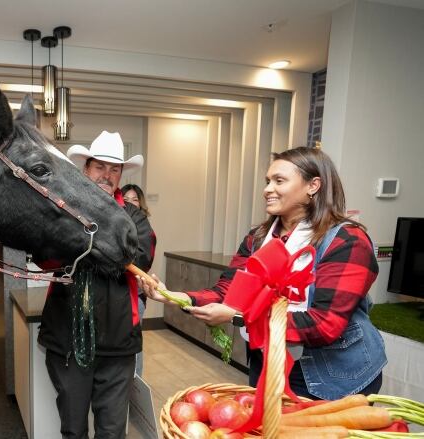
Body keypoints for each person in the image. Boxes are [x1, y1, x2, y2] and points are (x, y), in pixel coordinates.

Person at [139, 146, 386, 401]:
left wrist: (239, 317)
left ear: (313, 185)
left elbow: (323, 324)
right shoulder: (258, 238)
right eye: (267, 181)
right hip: (269, 358)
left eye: (279, 181)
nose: (267, 189)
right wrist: (176, 297)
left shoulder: (347, 241)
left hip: (333, 373)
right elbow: (229, 291)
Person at [37, 131, 155, 439]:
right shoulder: (62, 210)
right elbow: (45, 255)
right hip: (68, 342)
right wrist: (109, 254)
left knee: (113, 432)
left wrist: (80, 249)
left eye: (114, 169)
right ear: (85, 170)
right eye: (99, 166)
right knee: (73, 430)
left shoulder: (134, 218)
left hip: (118, 346)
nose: (107, 174)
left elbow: (138, 258)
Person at [121, 183, 154, 377]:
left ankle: (136, 384)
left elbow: (142, 265)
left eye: (135, 200)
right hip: (116, 296)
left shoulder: (145, 231)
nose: (131, 204)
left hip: (135, 296)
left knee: (134, 346)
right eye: (127, 200)